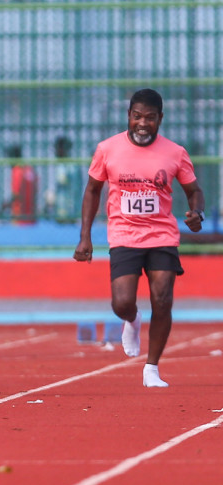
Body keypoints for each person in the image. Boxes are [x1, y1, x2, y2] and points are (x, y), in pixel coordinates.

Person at [74, 88, 204, 388]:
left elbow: (194, 191)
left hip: (162, 235)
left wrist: (198, 213)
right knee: (121, 302)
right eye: (137, 117)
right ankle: (131, 320)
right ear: (128, 117)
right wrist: (85, 237)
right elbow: (92, 191)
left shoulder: (175, 152)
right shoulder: (107, 149)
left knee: (162, 299)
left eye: (150, 118)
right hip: (123, 233)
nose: (142, 123)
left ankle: (151, 368)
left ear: (160, 119)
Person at [45, 135, 81, 223]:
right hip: (67, 210)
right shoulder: (69, 165)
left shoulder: (67, 166)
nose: (55, 152)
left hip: (67, 211)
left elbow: (63, 182)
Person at [0, 144, 38, 223]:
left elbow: (17, 195)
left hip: (19, 217)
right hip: (32, 216)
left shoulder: (17, 171)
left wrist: (5, 206)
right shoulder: (29, 169)